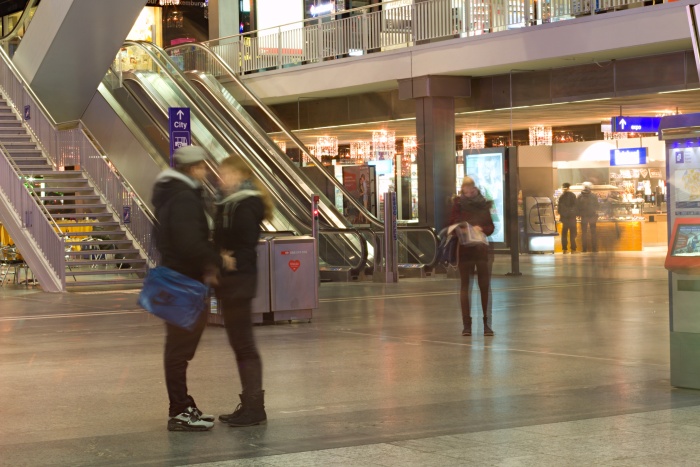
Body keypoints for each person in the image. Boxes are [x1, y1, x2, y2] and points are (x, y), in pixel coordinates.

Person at [152, 145, 233, 432]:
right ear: (193, 168)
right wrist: (216, 259)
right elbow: (189, 242)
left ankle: (182, 406)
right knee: (179, 349)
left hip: (177, 279)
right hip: (183, 281)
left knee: (178, 348)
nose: (205, 171)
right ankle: (180, 410)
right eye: (202, 166)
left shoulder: (171, 195)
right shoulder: (184, 198)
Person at [214, 155, 274, 427]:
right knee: (239, 344)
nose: (220, 178)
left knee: (245, 345)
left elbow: (245, 242)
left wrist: (228, 254)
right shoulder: (229, 203)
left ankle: (255, 407)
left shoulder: (246, 203)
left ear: (239, 174)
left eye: (225, 173)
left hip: (240, 280)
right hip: (231, 280)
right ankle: (249, 403)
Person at [449, 176, 495, 337]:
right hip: (464, 250)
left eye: (471, 190)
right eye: (466, 191)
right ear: (462, 190)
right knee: (465, 287)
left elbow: (491, 226)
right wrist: (464, 229)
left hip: (481, 250)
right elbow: (452, 224)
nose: (469, 193)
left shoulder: (483, 203)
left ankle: (487, 324)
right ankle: (466, 325)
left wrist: (481, 229)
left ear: (475, 189)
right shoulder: (458, 204)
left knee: (484, 287)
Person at [577, 182, 599, 253]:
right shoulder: (593, 196)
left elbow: (577, 206)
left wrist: (578, 214)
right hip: (592, 216)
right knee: (593, 233)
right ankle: (594, 249)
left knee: (584, 233)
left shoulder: (580, 196)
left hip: (583, 217)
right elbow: (597, 206)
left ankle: (584, 249)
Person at [557, 183, 578, 254]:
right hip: (572, 218)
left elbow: (559, 208)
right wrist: (574, 214)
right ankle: (573, 249)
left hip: (564, 218)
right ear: (569, 188)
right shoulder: (572, 195)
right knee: (573, 233)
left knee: (564, 234)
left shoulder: (561, 197)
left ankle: (564, 249)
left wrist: (562, 215)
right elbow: (576, 206)